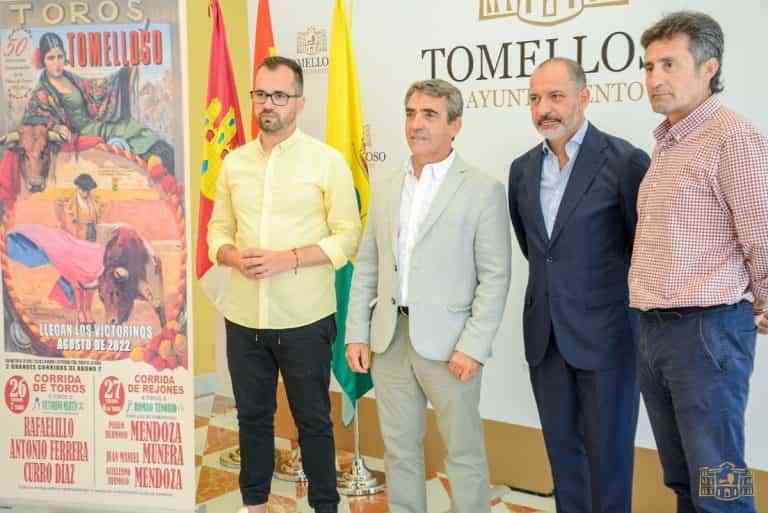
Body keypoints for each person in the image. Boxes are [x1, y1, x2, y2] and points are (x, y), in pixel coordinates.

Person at [346, 79, 511, 513]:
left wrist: (473, 346)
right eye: (411, 113)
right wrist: (356, 334)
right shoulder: (385, 185)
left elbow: (495, 278)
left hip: (451, 348)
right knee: (400, 450)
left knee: (464, 453)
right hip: (390, 339)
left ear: (455, 124)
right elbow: (367, 264)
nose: (416, 124)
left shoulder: (482, 189)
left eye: (430, 115)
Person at [206, 56, 361, 513]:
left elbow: (347, 236)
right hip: (244, 315)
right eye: (260, 94)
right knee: (252, 418)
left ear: (299, 102)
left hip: (305, 318)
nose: (267, 104)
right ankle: (255, 504)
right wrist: (233, 256)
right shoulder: (234, 164)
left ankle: (324, 506)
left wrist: (286, 259)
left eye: (279, 95)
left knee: (312, 420)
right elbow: (217, 232)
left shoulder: (326, 161)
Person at [630, 11, 768, 513]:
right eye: (648, 66)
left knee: (717, 487)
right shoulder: (668, 142)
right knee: (684, 481)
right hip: (654, 333)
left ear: (708, 67)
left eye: (669, 63)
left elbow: (763, 234)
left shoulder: (731, 138)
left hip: (707, 335)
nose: (654, 78)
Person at [508, 58, 649, 513]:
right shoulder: (522, 170)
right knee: (564, 459)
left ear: (584, 98)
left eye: (555, 96)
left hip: (608, 340)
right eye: (534, 99)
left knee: (608, 463)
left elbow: (640, 251)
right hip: (546, 339)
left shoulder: (626, 162)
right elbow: (539, 252)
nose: (543, 109)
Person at [22, 32, 174, 173]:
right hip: (82, 132)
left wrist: (123, 74)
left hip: (95, 123)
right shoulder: (41, 92)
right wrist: (55, 126)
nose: (57, 63)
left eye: (60, 56)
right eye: (51, 58)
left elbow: (95, 89)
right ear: (43, 60)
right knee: (127, 131)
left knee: (133, 127)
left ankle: (160, 163)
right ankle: (155, 165)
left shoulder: (69, 78)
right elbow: (33, 121)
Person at [56, 173, 104, 242]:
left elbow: (101, 206)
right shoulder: (70, 198)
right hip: (78, 230)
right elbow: (58, 204)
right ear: (78, 188)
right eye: (84, 190)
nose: (86, 193)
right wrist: (61, 220)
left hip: (92, 229)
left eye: (88, 191)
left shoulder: (93, 198)